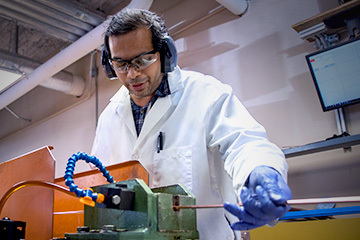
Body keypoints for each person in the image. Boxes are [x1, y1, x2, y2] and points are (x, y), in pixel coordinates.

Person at [91, 8, 292, 239]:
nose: (131, 74)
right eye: (121, 64)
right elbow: (97, 181)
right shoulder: (109, 117)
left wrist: (261, 170)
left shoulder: (208, 95)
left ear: (166, 53)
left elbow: (245, 144)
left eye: (143, 60)